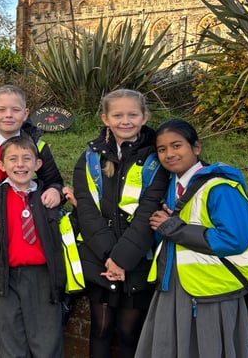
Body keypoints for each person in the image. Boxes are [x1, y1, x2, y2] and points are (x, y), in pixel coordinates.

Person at [136, 119, 248, 358]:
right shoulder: (170, 187)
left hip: (212, 292)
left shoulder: (220, 188)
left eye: (177, 145)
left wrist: (174, 228)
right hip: (173, 285)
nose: (169, 154)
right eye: (162, 149)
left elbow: (234, 239)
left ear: (196, 147)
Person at [0, 84, 66, 358]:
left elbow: (53, 182)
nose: (9, 115)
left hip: (23, 232)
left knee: (35, 320)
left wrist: (55, 191)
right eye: (2, 110)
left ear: (26, 113)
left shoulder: (38, 145)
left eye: (15, 110)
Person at [72, 89, 169, 358]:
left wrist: (122, 259)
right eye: (118, 115)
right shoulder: (90, 157)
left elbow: (148, 211)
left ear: (144, 116)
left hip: (137, 260)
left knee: (129, 334)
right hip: (99, 259)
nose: (125, 121)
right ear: (105, 118)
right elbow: (87, 211)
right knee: (100, 330)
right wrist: (109, 257)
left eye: (132, 115)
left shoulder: (155, 159)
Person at [0, 135, 67, 357]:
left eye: (27, 159)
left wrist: (61, 194)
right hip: (6, 276)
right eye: (13, 159)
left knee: (47, 342)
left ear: (37, 164)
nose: (20, 165)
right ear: (1, 165)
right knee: (10, 341)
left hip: (43, 276)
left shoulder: (48, 195)